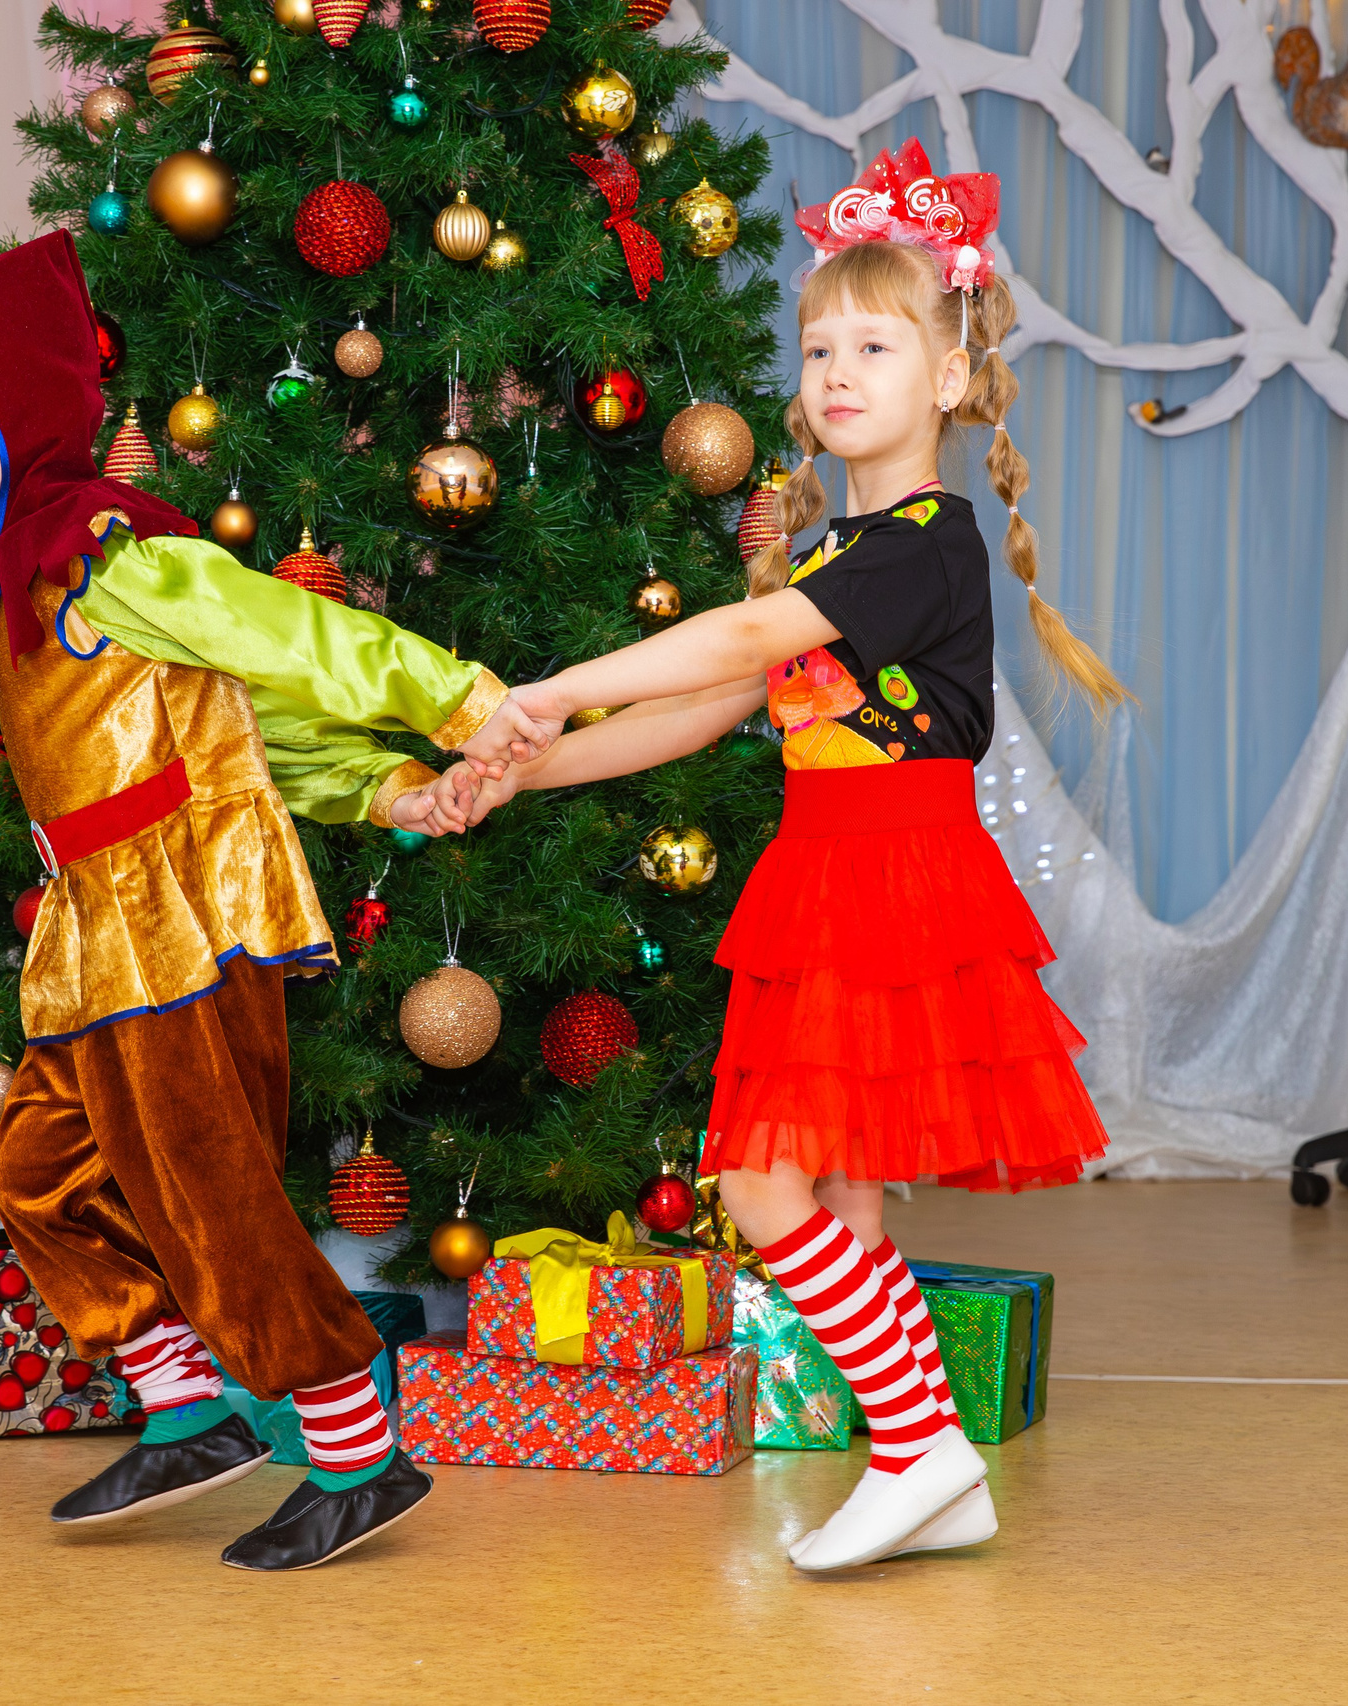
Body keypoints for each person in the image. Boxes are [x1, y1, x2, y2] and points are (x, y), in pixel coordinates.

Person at [420, 145, 1123, 1573]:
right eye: (818, 348)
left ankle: (923, 1444)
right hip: (831, 872)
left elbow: (736, 645)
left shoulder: (926, 541)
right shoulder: (837, 554)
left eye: (876, 344)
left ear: (949, 377)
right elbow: (699, 711)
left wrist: (549, 685)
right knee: (845, 1188)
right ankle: (932, 1473)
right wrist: (506, 775)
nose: (837, 371)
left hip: (891, 882)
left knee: (760, 1187)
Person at [0, 231, 550, 1571]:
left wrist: (455, 708)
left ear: (30, 398)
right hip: (95, 926)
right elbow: (228, 726)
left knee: (211, 1191)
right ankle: (190, 1407)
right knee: (38, 1171)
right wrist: (380, 792)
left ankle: (358, 1453)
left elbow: (288, 639)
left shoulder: (115, 557)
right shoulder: (23, 578)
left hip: (184, 914)